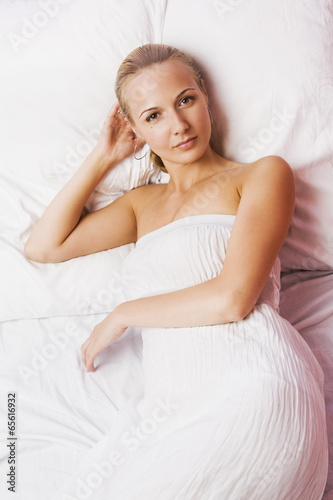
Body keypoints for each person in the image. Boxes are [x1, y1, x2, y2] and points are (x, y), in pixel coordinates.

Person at [25, 44, 328, 499]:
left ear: (205, 98)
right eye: (153, 117)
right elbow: (44, 246)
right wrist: (104, 157)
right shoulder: (140, 205)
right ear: (136, 131)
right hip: (168, 414)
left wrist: (125, 313)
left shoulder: (262, 175)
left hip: (256, 388)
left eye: (185, 100)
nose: (179, 125)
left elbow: (232, 298)